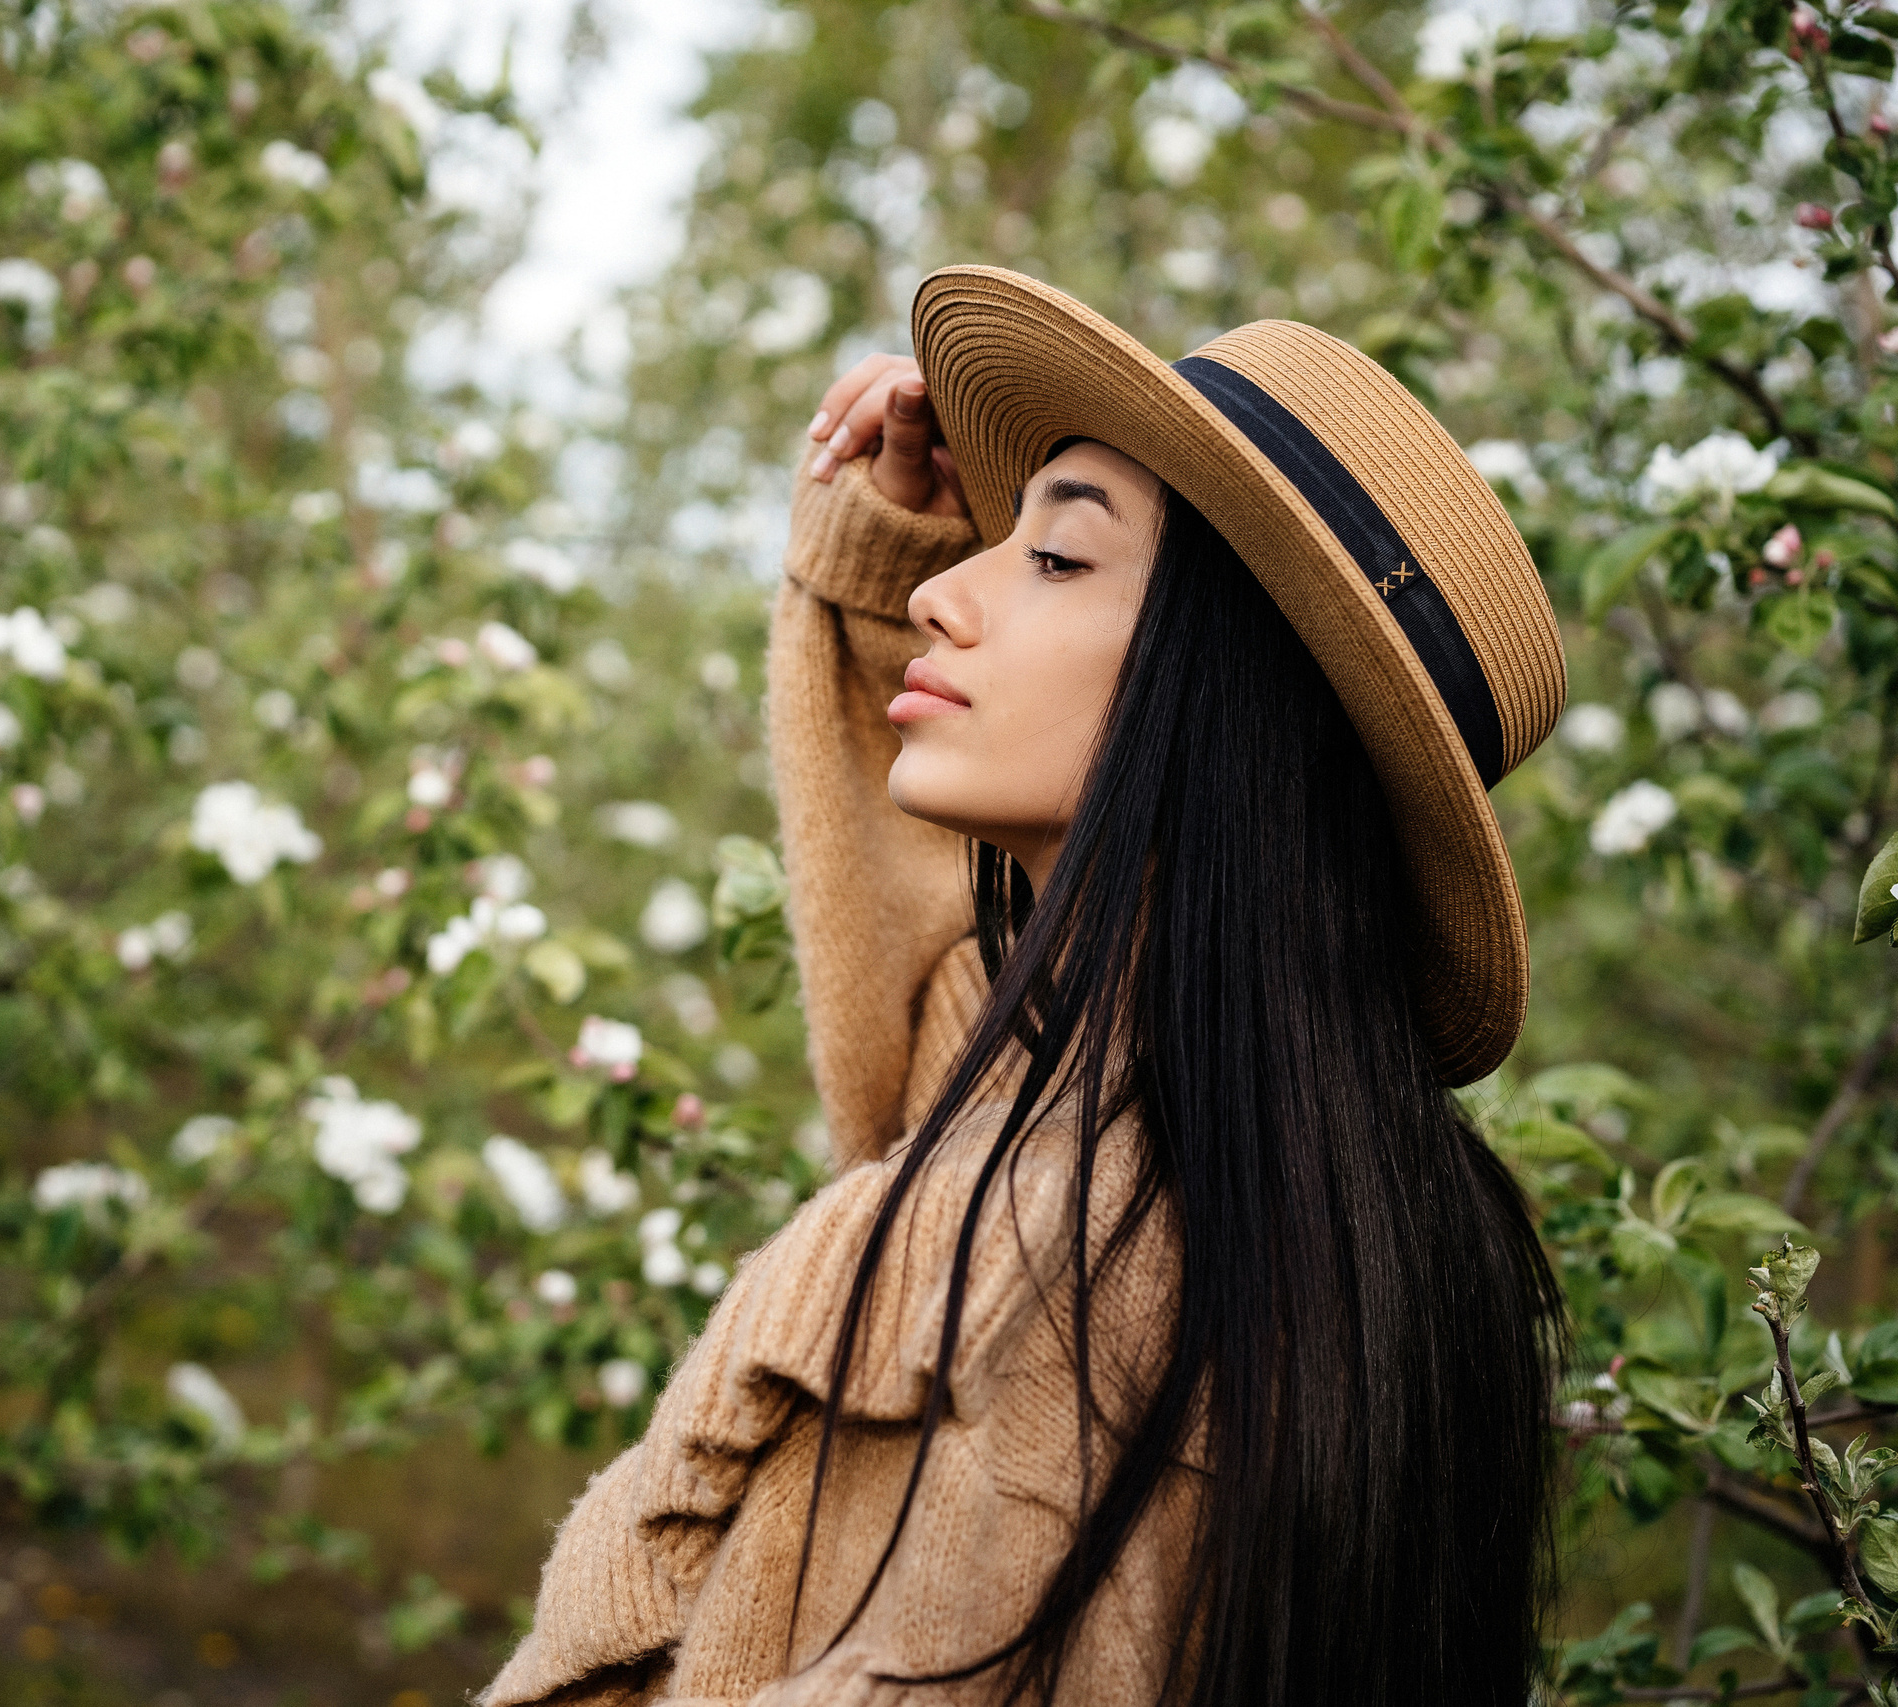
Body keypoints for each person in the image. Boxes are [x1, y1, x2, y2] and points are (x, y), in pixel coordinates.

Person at [482, 267, 1567, 1707]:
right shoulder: (1348, 1229)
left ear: (1235, 690)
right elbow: (930, 1043)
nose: (943, 591)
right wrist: (878, 569)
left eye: (1058, 559)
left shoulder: (1052, 1257)